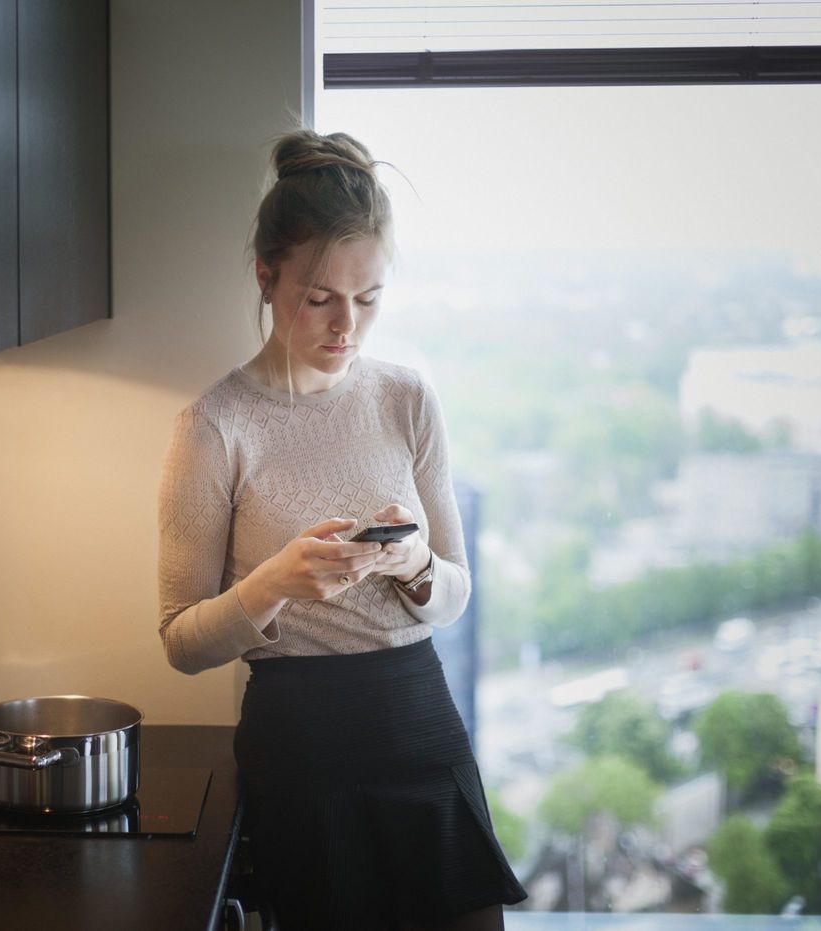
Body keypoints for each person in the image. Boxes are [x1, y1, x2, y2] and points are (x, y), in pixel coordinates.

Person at [157, 129, 526, 931]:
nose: (345, 326)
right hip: (302, 744)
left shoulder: (407, 397)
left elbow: (456, 592)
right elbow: (180, 641)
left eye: (369, 299)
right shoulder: (214, 426)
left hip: (422, 725)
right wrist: (274, 583)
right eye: (320, 297)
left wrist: (417, 560)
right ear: (265, 274)